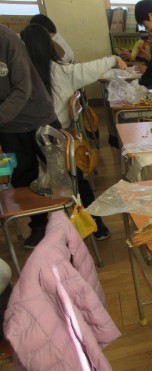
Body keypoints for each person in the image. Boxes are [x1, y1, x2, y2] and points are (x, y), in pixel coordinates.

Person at [20, 23, 123, 240]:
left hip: (25, 135)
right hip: (57, 135)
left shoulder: (21, 74)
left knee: (24, 176)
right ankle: (95, 223)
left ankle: (38, 227)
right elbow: (89, 68)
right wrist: (113, 58)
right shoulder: (62, 70)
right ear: (48, 45)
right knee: (74, 178)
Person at [0, 24, 59, 248]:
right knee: (22, 177)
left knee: (64, 172)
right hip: (8, 127)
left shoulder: (6, 39)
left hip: (39, 118)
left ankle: (90, 219)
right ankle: (38, 225)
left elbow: (22, 89)